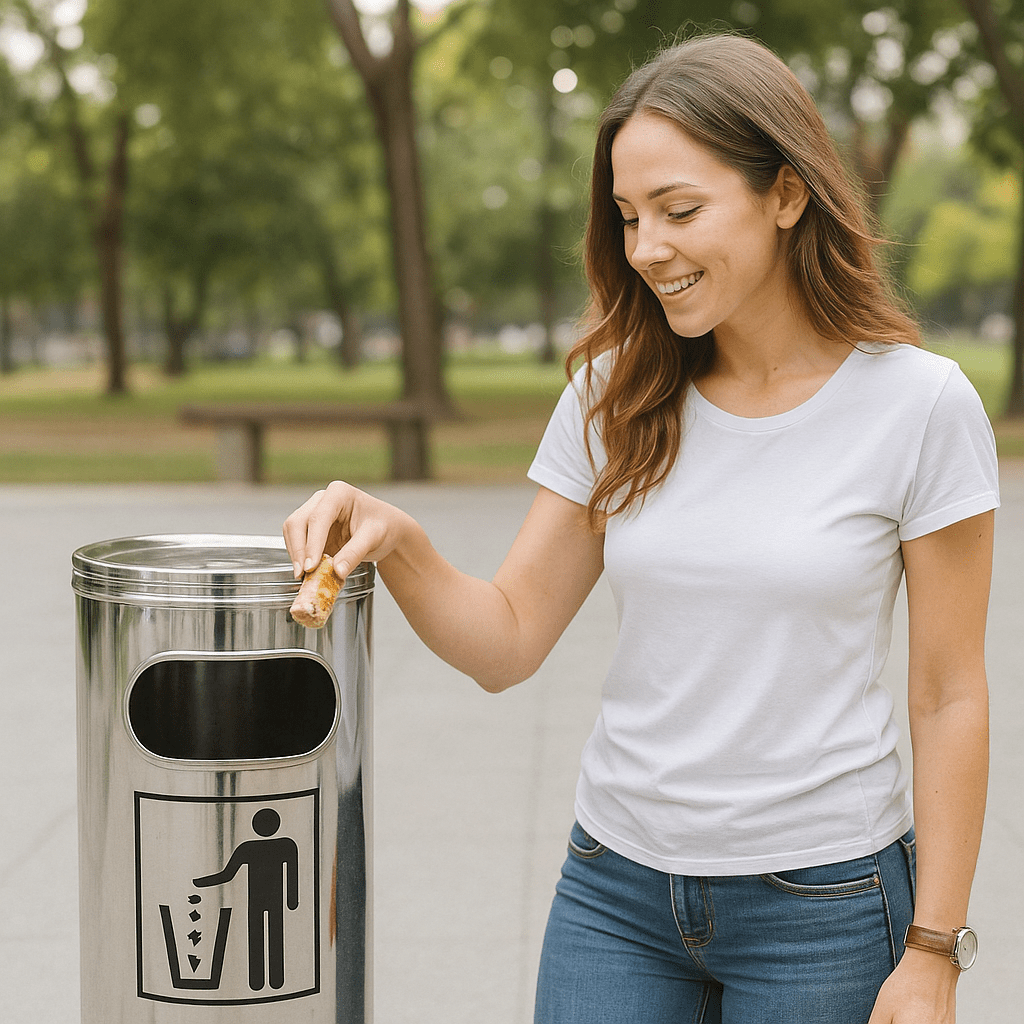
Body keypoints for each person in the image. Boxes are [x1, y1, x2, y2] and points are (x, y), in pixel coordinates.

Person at [284, 32, 999, 1024]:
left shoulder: (919, 406)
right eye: (627, 217)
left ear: (785, 195)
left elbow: (948, 692)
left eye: (679, 209)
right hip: (614, 892)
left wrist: (935, 949)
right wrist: (398, 537)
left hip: (824, 902)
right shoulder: (612, 395)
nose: (646, 248)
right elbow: (507, 640)